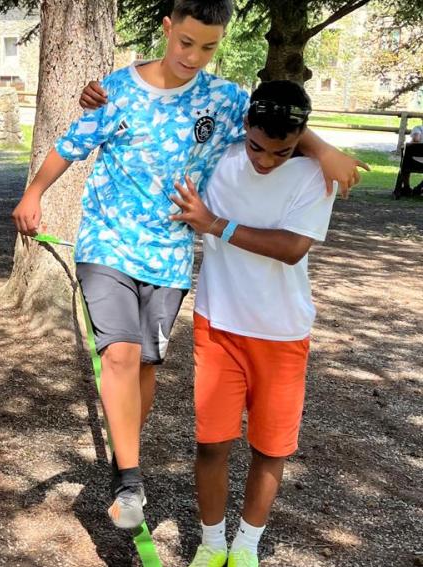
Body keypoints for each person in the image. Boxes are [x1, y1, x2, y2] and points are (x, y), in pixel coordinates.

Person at [14, 0, 365, 530]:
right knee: (121, 355)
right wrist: (34, 192)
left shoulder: (223, 100)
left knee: (147, 364)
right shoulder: (118, 88)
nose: (194, 56)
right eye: (185, 42)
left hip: (170, 253)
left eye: (208, 47)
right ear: (167, 28)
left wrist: (324, 150)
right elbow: (70, 145)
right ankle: (130, 480)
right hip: (107, 243)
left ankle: (122, 458)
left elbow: (272, 121)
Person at [167, 81, 336, 567]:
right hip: (217, 325)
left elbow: (291, 249)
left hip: (282, 333)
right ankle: (212, 543)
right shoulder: (220, 159)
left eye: (280, 151)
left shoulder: (313, 175)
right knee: (211, 443)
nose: (264, 160)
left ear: (300, 140)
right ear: (244, 127)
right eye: (257, 146)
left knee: (270, 447)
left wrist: (215, 224)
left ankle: (245, 547)